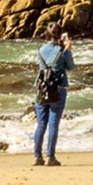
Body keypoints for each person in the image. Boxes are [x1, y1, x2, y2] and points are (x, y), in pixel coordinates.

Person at [33, 28, 75, 167]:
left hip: (41, 89)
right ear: (59, 37)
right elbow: (70, 67)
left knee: (41, 124)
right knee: (53, 124)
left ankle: (37, 156)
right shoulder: (63, 52)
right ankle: (50, 156)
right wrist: (68, 50)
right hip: (57, 90)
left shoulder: (40, 50)